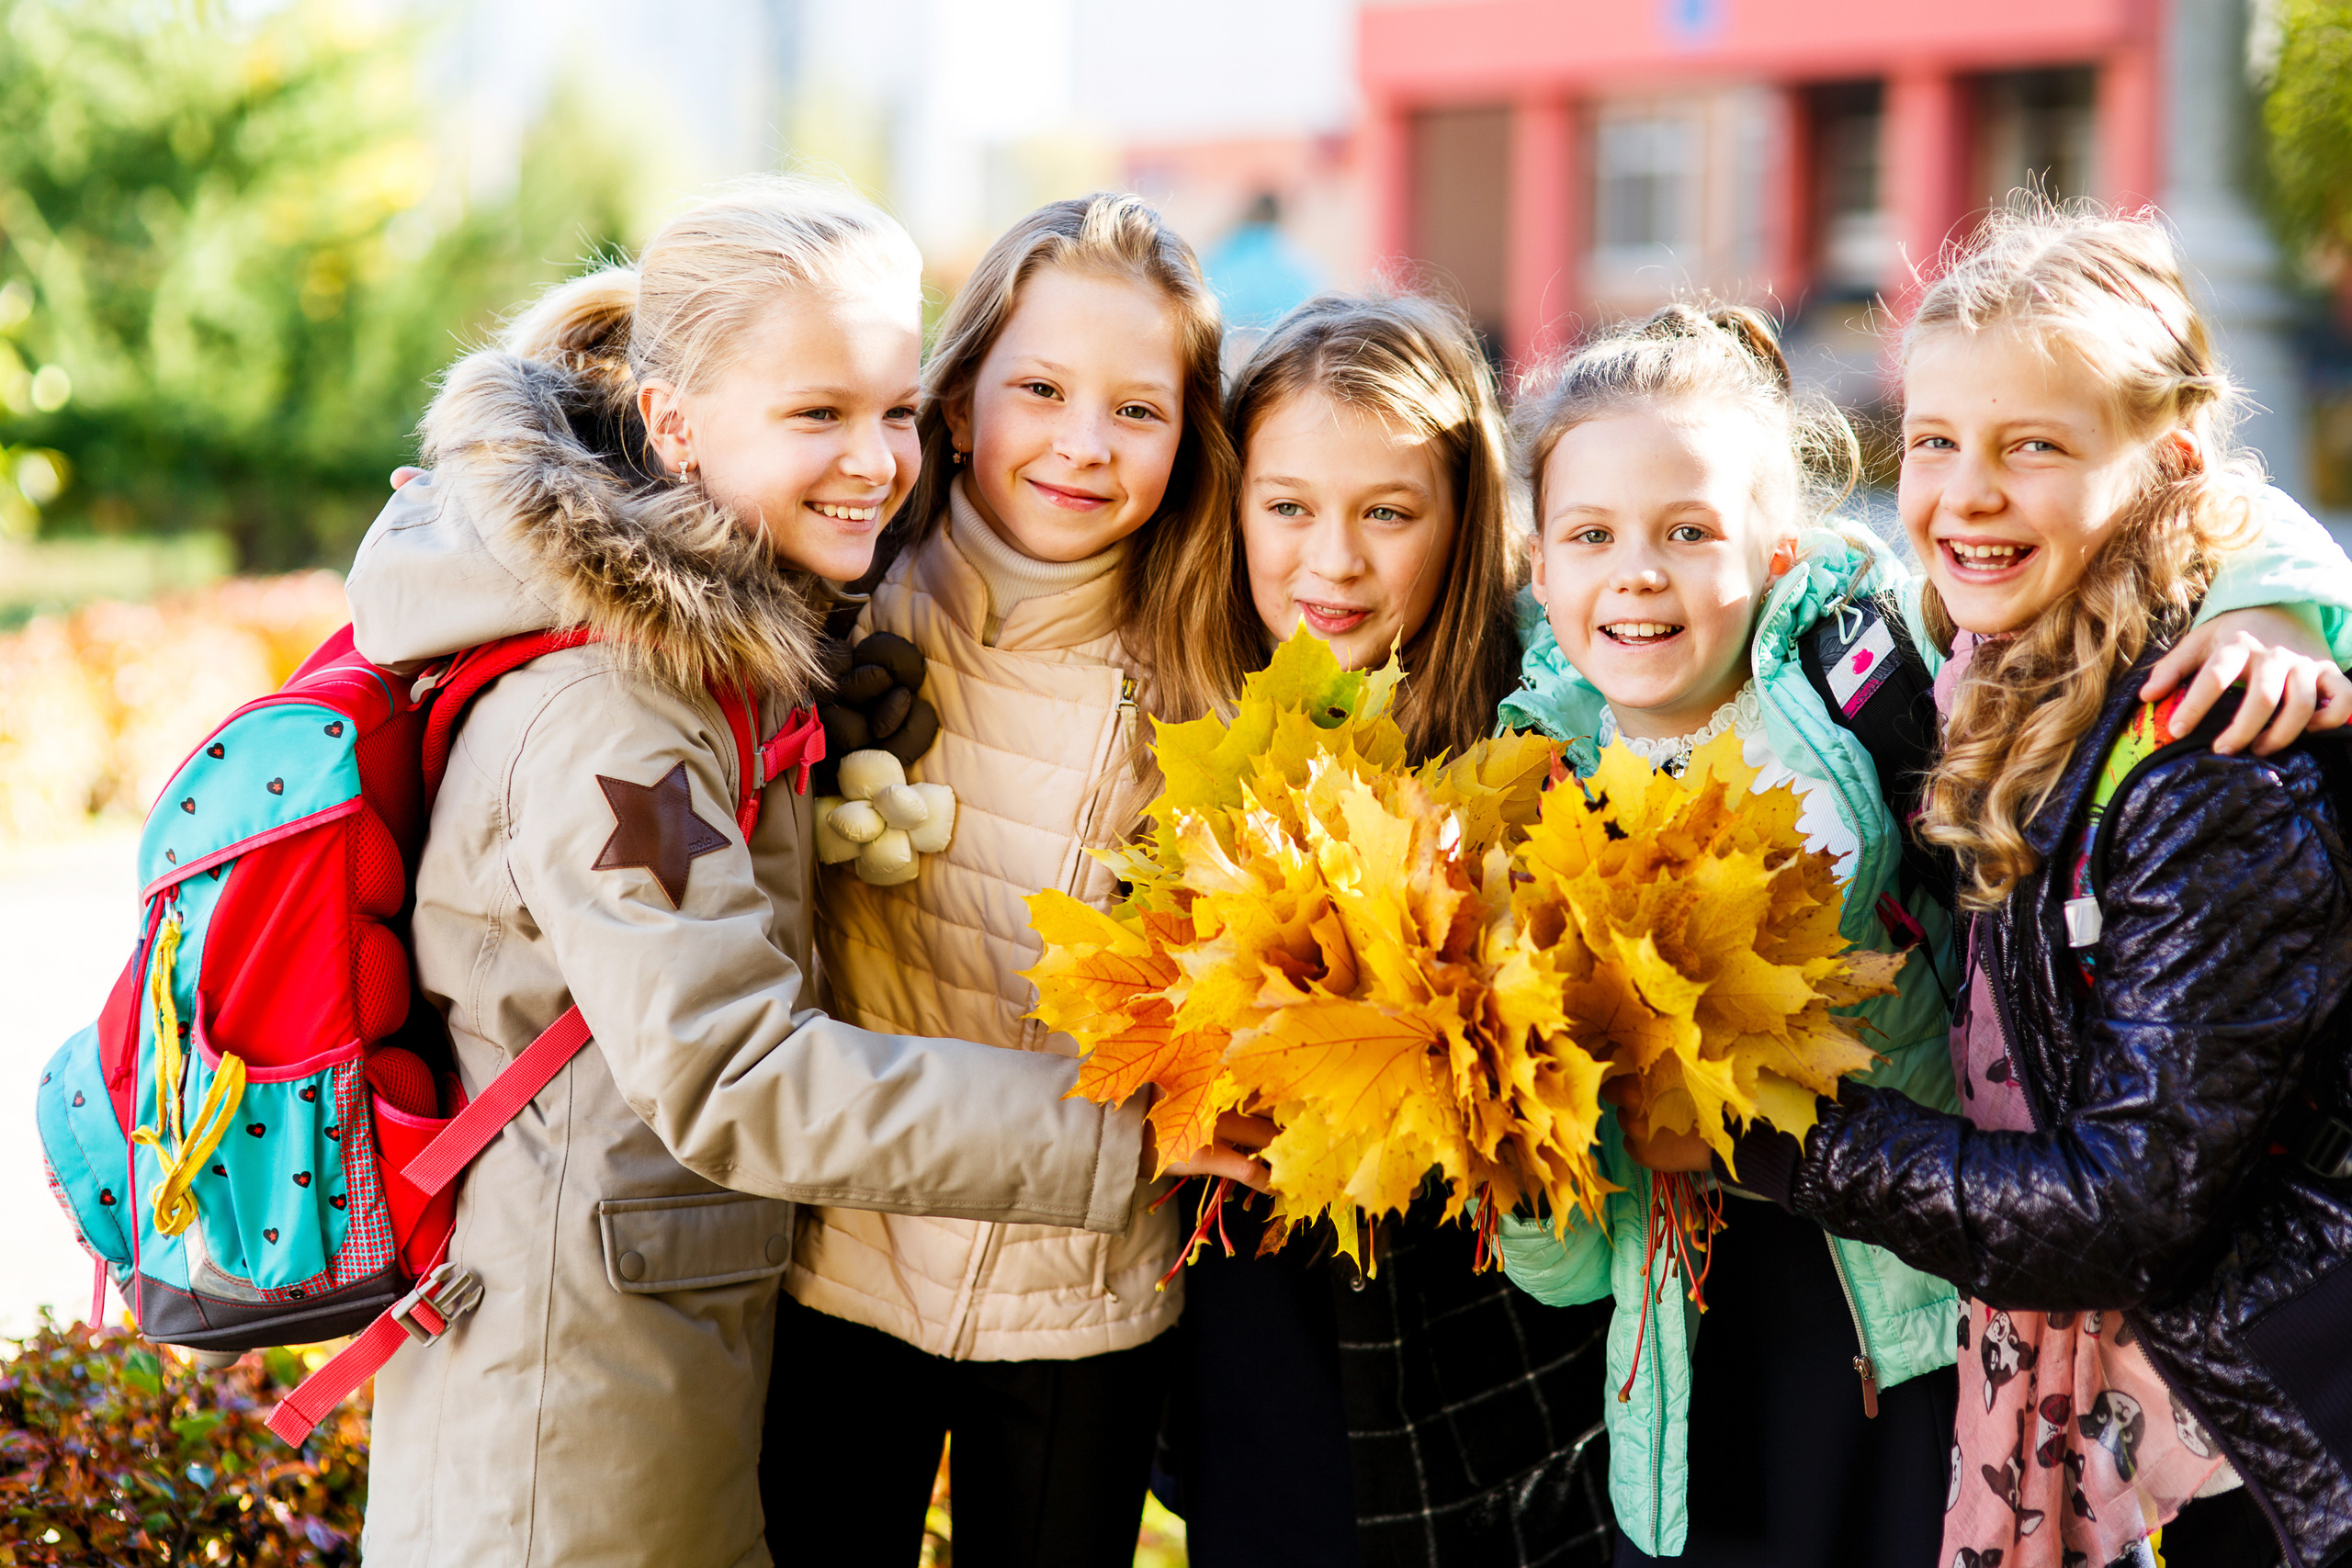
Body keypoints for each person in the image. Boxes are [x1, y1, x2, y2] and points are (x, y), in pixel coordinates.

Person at [344, 177, 1262, 1568]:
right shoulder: (617, 710)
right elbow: (737, 1072)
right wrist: (1122, 1138)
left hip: (650, 1353)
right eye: (817, 414)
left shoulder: (744, 650)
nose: (876, 460)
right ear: (674, 423)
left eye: (890, 409)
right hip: (566, 1397)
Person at [1494, 286, 2352, 1566]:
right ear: (1540, 561)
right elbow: (1561, 1258)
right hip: (1683, 1383)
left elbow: (2197, 508)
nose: (1637, 573)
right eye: (1592, 535)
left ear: (1780, 547)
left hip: (1918, 1340)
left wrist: (2277, 604)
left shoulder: (1874, 667)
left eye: (1688, 529)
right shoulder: (1530, 782)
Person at [768, 192, 1252, 1566]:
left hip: (1082, 1296)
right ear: (961, 401)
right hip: (838, 1264)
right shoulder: (838, 595)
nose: (1084, 446)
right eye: (1040, 388)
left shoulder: (1211, 667)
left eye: (1138, 410)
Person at [1153, 291, 1616, 1567]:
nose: (1333, 562)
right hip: (1255, 1348)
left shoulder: (1555, 720)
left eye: (1388, 513)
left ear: (1462, 523)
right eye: (1289, 506)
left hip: (1506, 1380)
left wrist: (2239, 591)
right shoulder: (1174, 716)